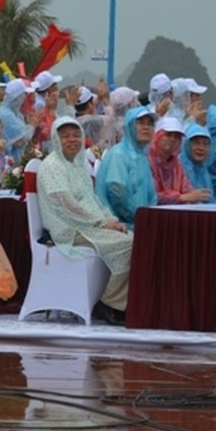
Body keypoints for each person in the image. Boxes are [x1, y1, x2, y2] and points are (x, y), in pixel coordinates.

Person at [36, 117, 133, 325]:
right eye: (65, 136)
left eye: (75, 135)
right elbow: (66, 205)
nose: (72, 140)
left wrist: (111, 219)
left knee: (132, 237)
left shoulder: (76, 165)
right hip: (68, 228)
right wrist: (101, 223)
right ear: (55, 139)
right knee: (128, 244)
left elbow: (93, 200)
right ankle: (109, 304)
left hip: (86, 224)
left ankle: (118, 301)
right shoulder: (52, 166)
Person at [94, 107, 158, 227]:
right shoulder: (119, 154)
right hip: (120, 225)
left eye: (150, 124)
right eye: (140, 123)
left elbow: (151, 195)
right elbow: (118, 195)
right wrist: (141, 219)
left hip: (140, 223)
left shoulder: (142, 157)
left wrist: (150, 217)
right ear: (130, 126)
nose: (146, 127)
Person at [147, 117, 210, 204]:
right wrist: (181, 198)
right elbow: (148, 196)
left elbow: (187, 190)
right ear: (157, 135)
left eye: (177, 136)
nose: (173, 139)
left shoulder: (176, 164)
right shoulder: (147, 161)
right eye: (168, 134)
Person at [180, 123, 216, 201]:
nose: (201, 148)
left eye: (205, 144)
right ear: (186, 145)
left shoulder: (202, 169)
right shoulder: (177, 167)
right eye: (196, 143)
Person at [30, 71, 63, 154]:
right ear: (48, 91)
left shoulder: (42, 102)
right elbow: (45, 131)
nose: (58, 92)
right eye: (55, 89)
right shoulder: (40, 104)